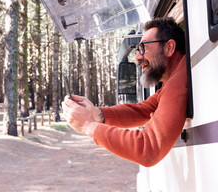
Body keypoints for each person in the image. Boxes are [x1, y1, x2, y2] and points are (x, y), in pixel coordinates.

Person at [62, 17, 188, 167]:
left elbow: (148, 149)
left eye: (143, 48)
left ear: (169, 48)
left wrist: (88, 126)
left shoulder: (178, 83)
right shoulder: (177, 76)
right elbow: (144, 110)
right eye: (137, 50)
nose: (137, 57)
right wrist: (97, 113)